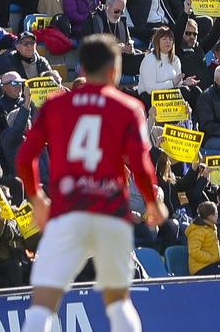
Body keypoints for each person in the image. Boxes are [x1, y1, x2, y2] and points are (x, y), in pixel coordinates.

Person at [15, 35, 165, 332]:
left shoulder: (55, 105)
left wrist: (37, 199)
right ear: (114, 68)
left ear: (81, 67)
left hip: (67, 213)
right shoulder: (127, 107)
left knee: (42, 306)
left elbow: (24, 158)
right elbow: (140, 164)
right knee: (119, 304)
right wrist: (152, 202)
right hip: (110, 214)